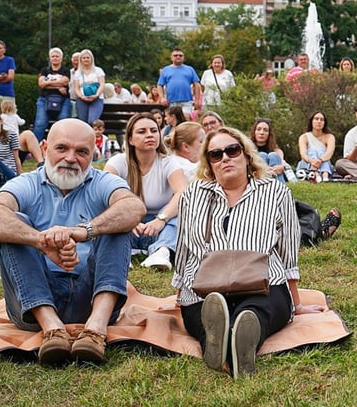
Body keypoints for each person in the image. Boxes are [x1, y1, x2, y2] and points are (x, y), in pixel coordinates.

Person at [0, 118, 145, 365]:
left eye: (82, 152)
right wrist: (40, 241)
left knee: (119, 222)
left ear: (94, 154)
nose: (71, 158)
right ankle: (52, 329)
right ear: (45, 148)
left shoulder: (102, 181)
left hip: (92, 298)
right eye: (62, 148)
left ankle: (96, 330)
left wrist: (83, 231)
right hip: (32, 306)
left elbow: (134, 208)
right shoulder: (27, 183)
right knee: (13, 223)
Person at [173, 126, 325, 378]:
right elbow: (183, 246)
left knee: (254, 313)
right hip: (204, 288)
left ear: (246, 155)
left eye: (232, 150)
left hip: (264, 283)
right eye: (215, 155)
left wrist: (296, 303)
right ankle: (218, 343)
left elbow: (287, 252)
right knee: (207, 312)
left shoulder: (276, 192)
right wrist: (179, 294)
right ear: (209, 164)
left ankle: (239, 340)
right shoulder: (193, 194)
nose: (225, 158)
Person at [104, 113, 187, 271]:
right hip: (127, 229)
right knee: (106, 214)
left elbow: (182, 193)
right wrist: (126, 219)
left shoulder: (168, 162)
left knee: (183, 211)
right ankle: (121, 253)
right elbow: (104, 195)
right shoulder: (117, 162)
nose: (149, 135)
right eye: (142, 131)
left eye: (154, 131)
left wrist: (161, 219)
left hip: (161, 228)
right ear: (130, 139)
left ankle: (162, 252)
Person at [32, 47, 71, 141]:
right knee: (40, 123)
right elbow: (41, 84)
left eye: (57, 56)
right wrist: (58, 87)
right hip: (44, 99)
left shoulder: (66, 70)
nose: (55, 58)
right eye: (53, 56)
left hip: (63, 100)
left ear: (61, 58)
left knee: (63, 122)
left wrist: (47, 83)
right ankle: (34, 146)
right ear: (50, 58)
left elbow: (65, 82)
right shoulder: (44, 70)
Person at [157, 48, 203, 117]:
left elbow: (196, 84)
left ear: (183, 57)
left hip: (187, 101)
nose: (178, 57)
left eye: (180, 55)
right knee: (173, 120)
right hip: (171, 101)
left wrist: (197, 100)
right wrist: (162, 98)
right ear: (171, 57)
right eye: (175, 55)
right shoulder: (166, 70)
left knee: (186, 119)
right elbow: (159, 85)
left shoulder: (190, 69)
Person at [297, 111, 336, 182]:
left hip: (324, 163)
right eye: (316, 119)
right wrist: (312, 161)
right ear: (311, 121)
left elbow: (329, 153)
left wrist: (320, 160)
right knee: (312, 150)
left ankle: (325, 175)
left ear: (324, 123)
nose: (319, 121)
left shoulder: (330, 137)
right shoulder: (304, 137)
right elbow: (303, 154)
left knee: (321, 152)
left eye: (322, 119)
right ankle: (316, 174)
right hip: (307, 164)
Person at [71, 49, 105, 125]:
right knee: (83, 122)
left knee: (92, 121)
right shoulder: (78, 73)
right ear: (81, 60)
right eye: (84, 58)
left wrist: (96, 95)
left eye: (88, 57)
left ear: (91, 59)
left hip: (96, 98)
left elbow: (102, 84)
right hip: (82, 99)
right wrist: (81, 96)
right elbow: (76, 88)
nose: (86, 59)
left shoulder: (98, 70)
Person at [250, 118, 286, 182]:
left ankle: (279, 187)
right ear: (254, 132)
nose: (261, 133)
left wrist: (280, 167)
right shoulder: (248, 148)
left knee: (273, 155)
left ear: (269, 134)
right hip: (257, 177)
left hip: (275, 175)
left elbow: (283, 164)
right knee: (262, 155)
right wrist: (262, 169)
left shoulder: (277, 151)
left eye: (265, 130)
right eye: (258, 129)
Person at [0, 40, 17, 111]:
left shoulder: (9, 60)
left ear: (4, 50)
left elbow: (10, 77)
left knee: (9, 115)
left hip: (7, 93)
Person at [334, 106, 357, 178]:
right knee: (340, 164)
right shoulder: (351, 134)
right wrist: (356, 149)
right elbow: (349, 161)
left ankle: (353, 175)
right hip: (355, 166)